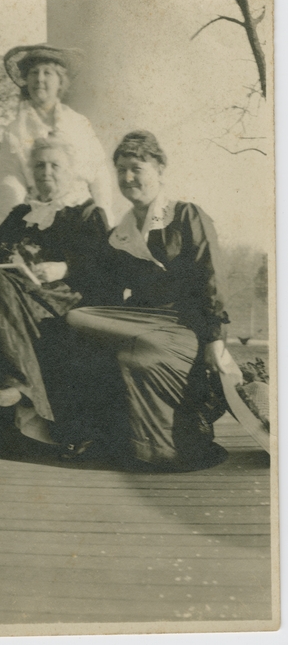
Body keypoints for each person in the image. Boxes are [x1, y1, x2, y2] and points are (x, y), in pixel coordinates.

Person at [67, 130, 242, 471]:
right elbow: (101, 285)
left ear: (159, 169)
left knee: (136, 352)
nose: (128, 178)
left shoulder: (186, 215)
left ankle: (167, 443)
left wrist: (215, 339)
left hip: (186, 325)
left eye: (136, 168)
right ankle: (105, 437)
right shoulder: (121, 232)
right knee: (77, 319)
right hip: (144, 319)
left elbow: (211, 275)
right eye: (120, 170)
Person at [0, 136, 111, 462]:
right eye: (39, 165)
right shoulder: (22, 213)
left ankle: (2, 405)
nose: (46, 172)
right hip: (15, 295)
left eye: (55, 165)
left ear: (72, 171)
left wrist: (62, 267)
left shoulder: (88, 213)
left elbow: (101, 267)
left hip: (62, 297)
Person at [0, 43, 114, 225]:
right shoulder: (15, 130)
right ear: (26, 80)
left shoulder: (79, 124)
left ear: (60, 81)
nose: (39, 79)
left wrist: (106, 219)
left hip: (81, 217)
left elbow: (99, 173)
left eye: (47, 73)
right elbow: (10, 181)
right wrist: (7, 226)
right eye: (34, 73)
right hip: (37, 217)